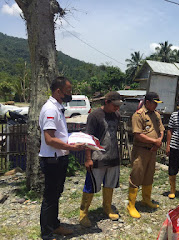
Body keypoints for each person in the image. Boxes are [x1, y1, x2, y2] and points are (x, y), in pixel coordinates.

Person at [39, 76, 85, 240]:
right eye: (68, 91)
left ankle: (55, 225)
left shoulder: (57, 107)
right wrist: (71, 147)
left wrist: (72, 138)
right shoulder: (50, 109)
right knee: (50, 197)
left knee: (56, 195)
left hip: (59, 158)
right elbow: (49, 139)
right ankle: (47, 234)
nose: (70, 94)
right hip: (53, 160)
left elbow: (59, 135)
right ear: (58, 91)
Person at [79, 91, 123, 227]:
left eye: (118, 105)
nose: (117, 108)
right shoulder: (95, 116)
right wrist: (88, 158)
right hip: (97, 157)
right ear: (107, 102)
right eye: (115, 105)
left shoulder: (116, 115)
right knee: (91, 185)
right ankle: (83, 213)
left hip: (113, 156)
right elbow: (88, 138)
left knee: (110, 184)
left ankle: (107, 207)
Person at [127, 92, 165, 218]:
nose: (156, 106)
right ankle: (131, 205)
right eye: (154, 103)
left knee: (149, 175)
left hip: (152, 151)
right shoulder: (138, 115)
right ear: (147, 102)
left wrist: (158, 141)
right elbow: (138, 135)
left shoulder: (156, 115)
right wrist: (155, 141)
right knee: (137, 175)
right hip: (141, 150)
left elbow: (161, 130)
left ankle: (146, 200)